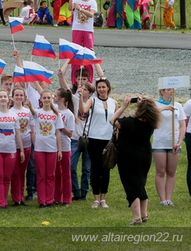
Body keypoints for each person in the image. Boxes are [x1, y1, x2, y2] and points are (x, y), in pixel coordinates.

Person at [111, 96, 161, 225]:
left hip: (128, 157)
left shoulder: (129, 122)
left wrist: (123, 107)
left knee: (131, 185)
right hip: (145, 156)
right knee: (140, 184)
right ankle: (144, 215)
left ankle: (136, 217)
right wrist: (142, 104)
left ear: (139, 109)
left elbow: (112, 120)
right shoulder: (151, 123)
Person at [79, 78, 117, 209]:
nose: (101, 89)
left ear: (108, 88)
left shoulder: (114, 103)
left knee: (106, 168)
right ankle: (95, 197)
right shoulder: (93, 100)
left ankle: (103, 198)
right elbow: (83, 110)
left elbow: (116, 120)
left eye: (103, 87)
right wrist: (79, 97)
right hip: (94, 138)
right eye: (99, 87)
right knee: (95, 168)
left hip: (108, 140)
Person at [0, 89, 25, 208]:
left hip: (11, 150)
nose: (3, 99)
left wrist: (22, 150)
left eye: (5, 96)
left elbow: (17, 133)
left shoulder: (14, 115)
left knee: (7, 177)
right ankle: (0, 202)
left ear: (9, 99)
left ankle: (4, 201)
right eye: (0, 97)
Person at [153, 87, 186, 206]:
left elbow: (182, 124)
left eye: (172, 89)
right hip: (160, 142)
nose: (171, 91)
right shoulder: (155, 105)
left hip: (174, 143)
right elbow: (151, 114)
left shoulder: (178, 105)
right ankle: (162, 199)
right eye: (168, 89)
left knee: (171, 172)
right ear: (162, 92)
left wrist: (180, 141)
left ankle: (169, 198)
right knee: (160, 171)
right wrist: (166, 108)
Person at [33, 90, 63, 208]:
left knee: (50, 175)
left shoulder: (56, 114)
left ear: (51, 99)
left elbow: (58, 133)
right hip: (39, 148)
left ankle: (49, 200)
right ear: (40, 99)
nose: (46, 100)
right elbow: (31, 111)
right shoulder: (37, 112)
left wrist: (59, 150)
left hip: (52, 148)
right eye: (44, 98)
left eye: (48, 98)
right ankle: (42, 200)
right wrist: (30, 105)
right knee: (41, 175)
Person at [69, 0, 97, 84]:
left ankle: (88, 81)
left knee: (88, 54)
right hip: (77, 29)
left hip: (88, 30)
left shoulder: (92, 2)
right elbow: (69, 8)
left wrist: (80, 9)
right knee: (76, 54)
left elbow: (91, 14)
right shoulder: (76, 0)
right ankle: (74, 81)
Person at [10, 86, 34, 206]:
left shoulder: (28, 112)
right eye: (17, 95)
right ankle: (16, 198)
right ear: (12, 97)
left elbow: (32, 127)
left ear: (24, 97)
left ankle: (21, 195)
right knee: (15, 172)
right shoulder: (10, 112)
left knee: (22, 172)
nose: (19, 97)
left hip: (26, 144)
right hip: (13, 145)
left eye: (21, 95)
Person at [55, 88, 75, 206]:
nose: (53, 98)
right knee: (56, 172)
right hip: (53, 146)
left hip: (65, 146)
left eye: (56, 96)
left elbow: (70, 133)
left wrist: (61, 126)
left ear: (62, 99)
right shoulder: (54, 111)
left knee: (65, 174)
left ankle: (67, 198)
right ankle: (57, 197)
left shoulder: (69, 114)